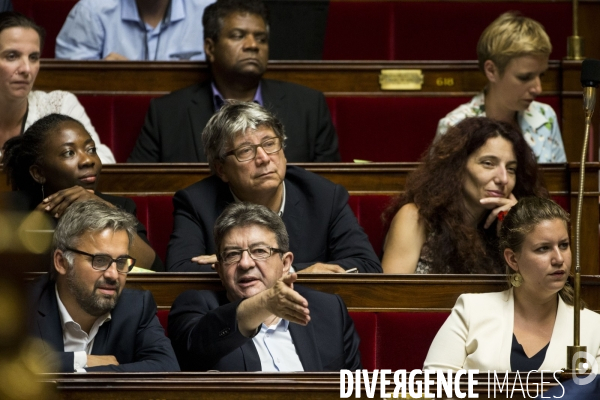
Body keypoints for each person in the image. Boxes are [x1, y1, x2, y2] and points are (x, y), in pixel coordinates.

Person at [166, 101, 380, 273]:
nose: (264, 158)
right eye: (246, 151)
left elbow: (368, 266)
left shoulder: (323, 196)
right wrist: (293, 271)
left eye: (270, 144)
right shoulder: (196, 203)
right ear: (221, 169)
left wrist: (233, 265)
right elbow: (181, 272)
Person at [128, 0, 340, 163]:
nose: (252, 45)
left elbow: (326, 190)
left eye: (261, 38)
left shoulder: (309, 107)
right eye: (239, 36)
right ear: (210, 48)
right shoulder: (166, 113)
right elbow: (141, 185)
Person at [168, 202, 362, 371]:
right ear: (219, 269)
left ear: (285, 263)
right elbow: (194, 349)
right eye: (233, 254)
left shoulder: (329, 310)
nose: (245, 263)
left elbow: (353, 388)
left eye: (259, 251)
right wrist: (265, 303)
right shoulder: (195, 306)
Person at [423, 197, 600, 371]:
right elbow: (434, 387)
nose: (559, 259)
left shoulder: (593, 327)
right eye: (543, 248)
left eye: (563, 245)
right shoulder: (472, 311)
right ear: (513, 259)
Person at [28, 199, 180, 372]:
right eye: (99, 260)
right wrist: (80, 360)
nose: (113, 275)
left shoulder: (136, 308)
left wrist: (87, 373)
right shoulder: (24, 304)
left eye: (121, 262)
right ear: (61, 262)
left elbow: (166, 367)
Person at [382, 117, 547, 274]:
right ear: (457, 167)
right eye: (488, 164)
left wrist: (514, 232)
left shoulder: (503, 225)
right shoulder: (416, 218)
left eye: (511, 169)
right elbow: (390, 297)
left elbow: (532, 294)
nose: (503, 179)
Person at [2, 113, 162, 271]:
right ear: (39, 173)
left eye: (91, 149)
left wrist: (103, 210)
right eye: (69, 153)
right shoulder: (10, 208)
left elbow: (152, 267)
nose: (88, 160)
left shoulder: (119, 206)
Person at [435, 12, 566, 163]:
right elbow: (441, 186)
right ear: (491, 71)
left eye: (541, 75)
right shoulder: (455, 126)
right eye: (524, 77)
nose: (538, 89)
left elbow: (558, 184)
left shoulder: (545, 116)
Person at [0, 12, 114, 163]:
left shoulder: (59, 104)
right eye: (12, 56)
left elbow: (103, 161)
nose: (26, 69)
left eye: (33, 57)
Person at [55, 0, 211, 61]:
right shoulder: (91, 11)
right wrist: (102, 75)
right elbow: (69, 83)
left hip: (186, 115)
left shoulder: (209, 10)